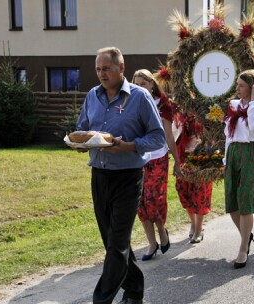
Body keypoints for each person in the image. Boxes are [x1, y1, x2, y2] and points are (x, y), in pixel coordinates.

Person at [76, 47, 166, 304]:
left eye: (106, 68)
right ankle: (135, 290)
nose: (101, 74)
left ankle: (101, 300)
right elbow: (82, 129)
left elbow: (157, 137)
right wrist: (81, 142)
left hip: (128, 177)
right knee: (112, 242)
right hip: (100, 176)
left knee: (117, 244)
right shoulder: (92, 96)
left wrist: (130, 145)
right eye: (98, 69)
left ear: (121, 68)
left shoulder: (139, 97)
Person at [131, 69, 182, 261]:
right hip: (138, 157)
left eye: (143, 84)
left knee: (154, 199)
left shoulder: (163, 106)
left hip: (158, 157)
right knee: (140, 202)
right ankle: (151, 243)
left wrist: (177, 161)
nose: (139, 88)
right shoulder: (131, 104)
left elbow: (169, 136)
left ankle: (162, 230)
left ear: (152, 84)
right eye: (136, 84)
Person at [223, 69, 254, 269]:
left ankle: (243, 248)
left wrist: (253, 101)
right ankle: (246, 235)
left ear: (252, 88)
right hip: (233, 153)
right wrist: (226, 159)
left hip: (251, 153)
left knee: (245, 200)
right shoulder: (233, 105)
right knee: (232, 202)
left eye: (241, 85)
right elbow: (227, 134)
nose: (237, 88)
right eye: (237, 84)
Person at [174, 110, 213, 243]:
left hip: (201, 157)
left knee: (200, 194)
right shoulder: (178, 112)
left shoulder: (206, 108)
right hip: (183, 157)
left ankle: (199, 228)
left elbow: (213, 133)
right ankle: (193, 222)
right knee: (182, 191)